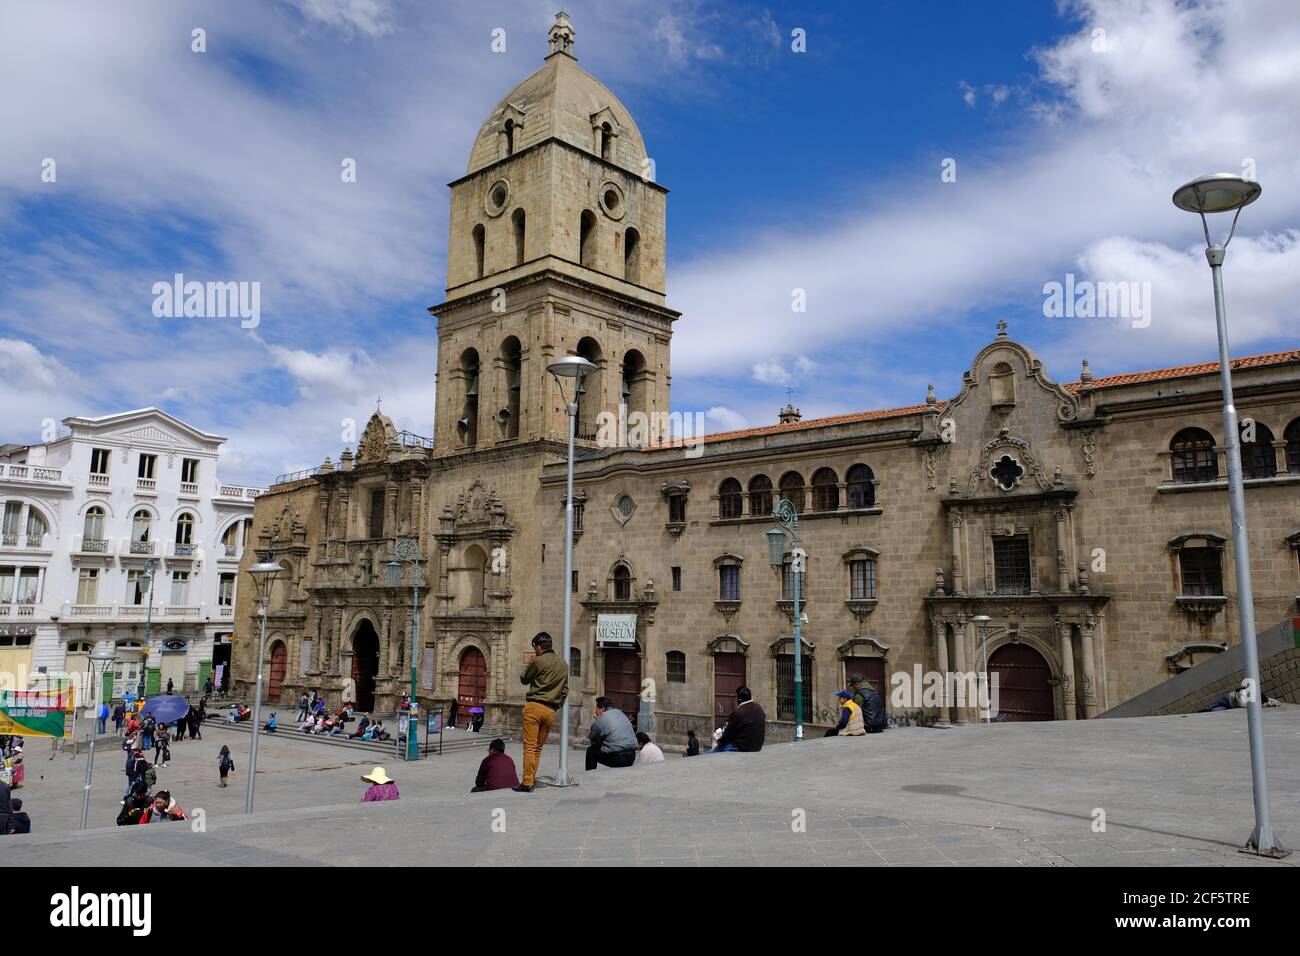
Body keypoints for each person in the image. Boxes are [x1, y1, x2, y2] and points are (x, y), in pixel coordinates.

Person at [514, 632, 568, 793]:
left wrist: (532, 663)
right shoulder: (563, 664)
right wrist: (556, 705)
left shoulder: (538, 660)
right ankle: (530, 779)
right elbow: (565, 690)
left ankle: (527, 783)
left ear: (538, 647)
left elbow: (524, 678)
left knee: (529, 747)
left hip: (535, 707)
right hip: (551, 710)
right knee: (537, 748)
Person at [586, 696, 638, 771]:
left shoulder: (602, 718)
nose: (595, 713)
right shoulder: (621, 713)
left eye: (596, 710)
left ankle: (589, 776)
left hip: (617, 759)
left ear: (602, 709)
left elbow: (593, 740)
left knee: (591, 751)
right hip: (632, 756)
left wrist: (597, 721)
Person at [708, 686, 766, 753]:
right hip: (757, 746)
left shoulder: (738, 712)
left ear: (739, 699)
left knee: (709, 753)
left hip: (742, 747)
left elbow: (728, 735)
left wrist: (719, 742)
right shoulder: (759, 708)